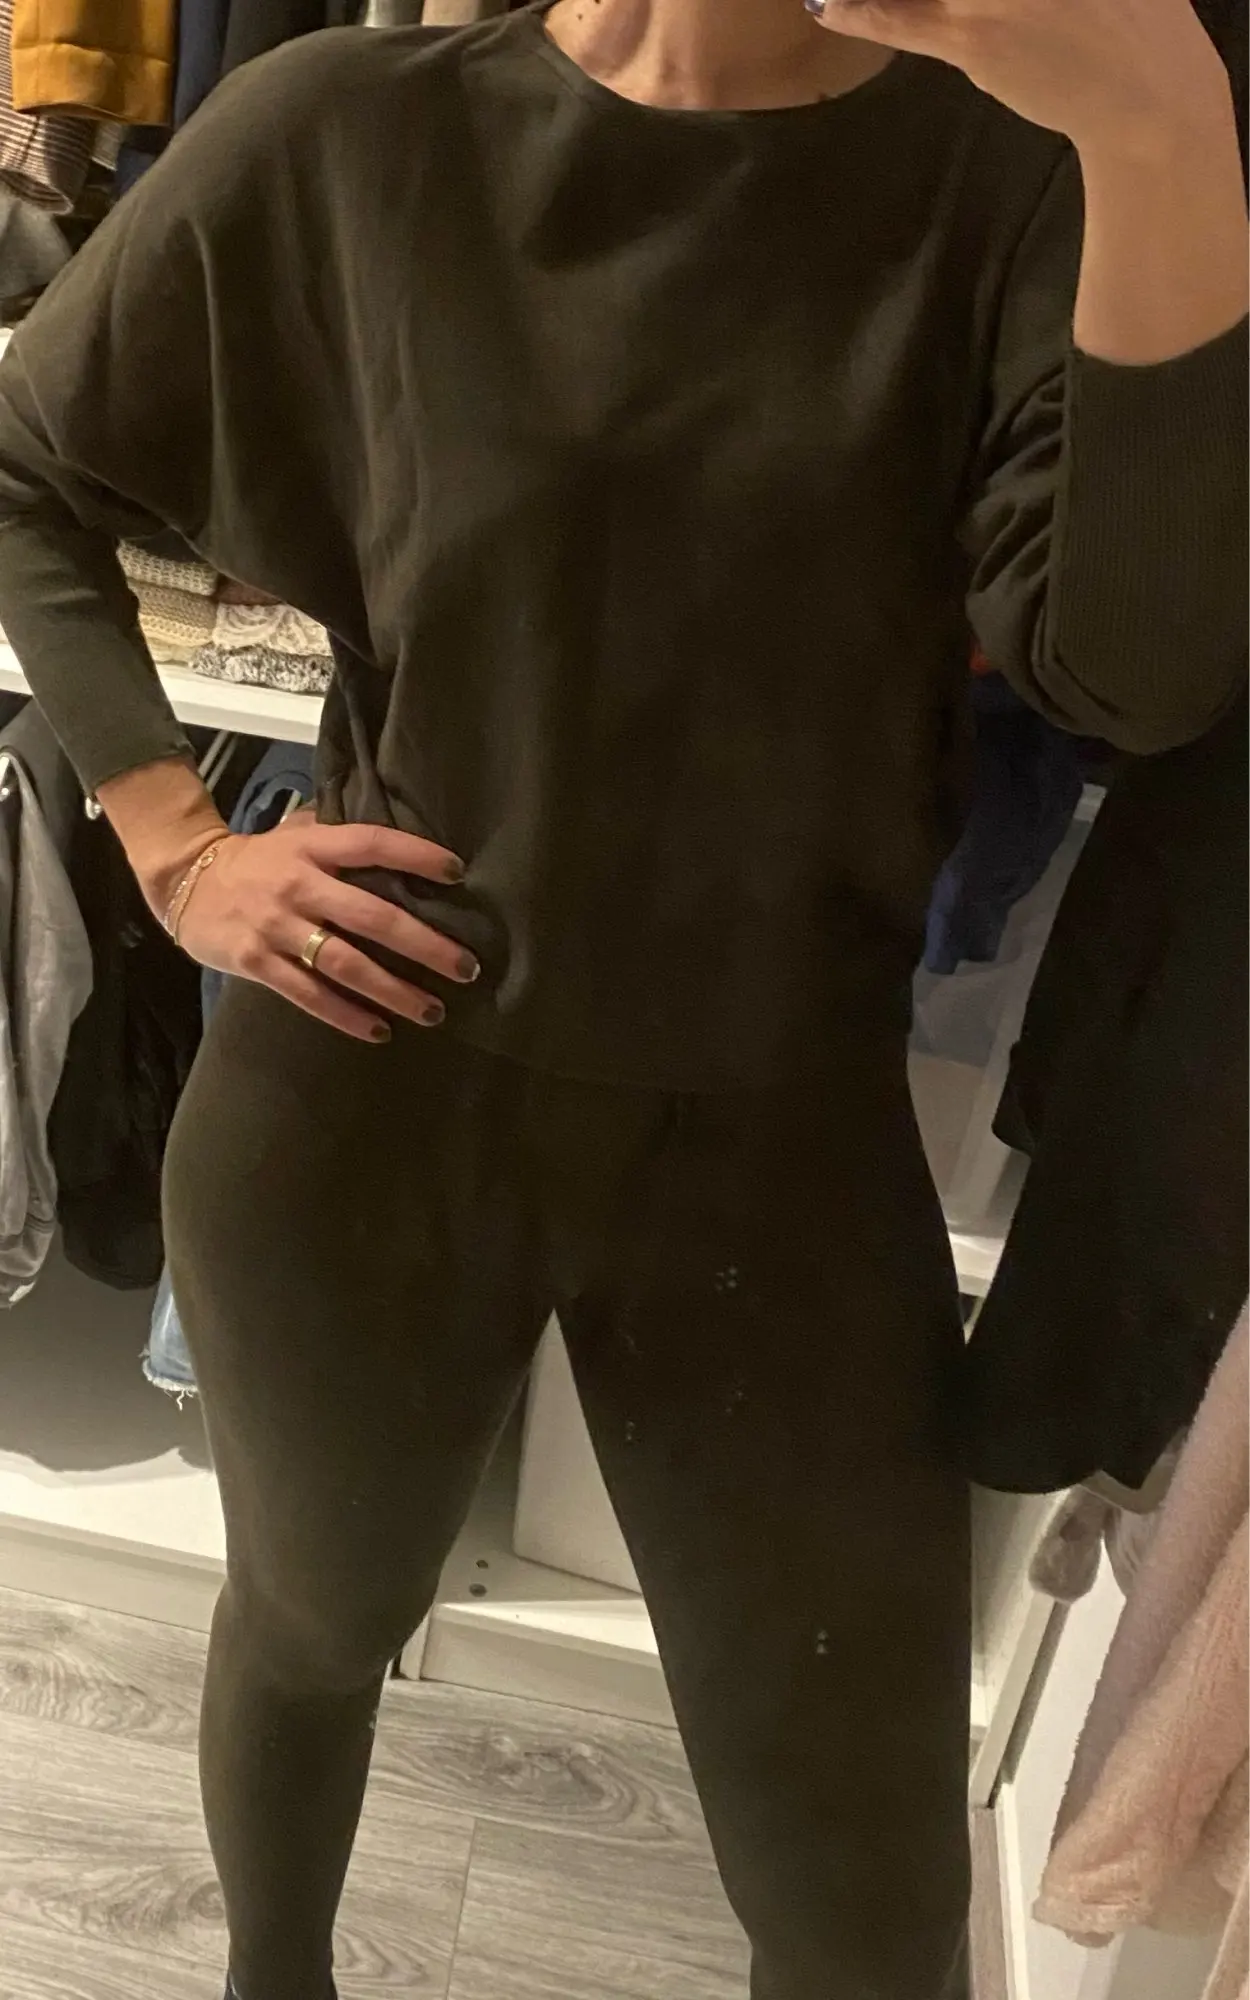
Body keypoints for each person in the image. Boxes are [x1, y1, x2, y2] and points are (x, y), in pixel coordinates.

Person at [0, 2, 1243, 1995]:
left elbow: (1137, 679)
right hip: (364, 1082)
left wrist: (1166, 126)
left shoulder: (1026, 177)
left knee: (860, 1895)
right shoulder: (346, 130)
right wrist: (176, 843)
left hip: (773, 1131)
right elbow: (23, 461)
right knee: (313, 1621)